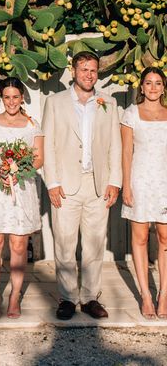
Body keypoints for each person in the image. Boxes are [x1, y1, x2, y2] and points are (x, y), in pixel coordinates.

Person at [43, 51, 121, 321]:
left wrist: (115, 182)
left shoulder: (107, 103)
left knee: (94, 244)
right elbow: (48, 144)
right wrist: (52, 181)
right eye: (84, 69)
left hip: (98, 184)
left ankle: (89, 297)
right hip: (65, 184)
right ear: (73, 71)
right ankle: (67, 297)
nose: (89, 74)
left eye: (93, 70)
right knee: (64, 243)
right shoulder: (55, 102)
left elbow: (115, 145)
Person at [0, 77, 44, 319]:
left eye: (15, 96)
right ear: (1, 99)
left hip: (21, 190)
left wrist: (18, 173)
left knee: (18, 245)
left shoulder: (33, 124)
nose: (11, 101)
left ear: (22, 97)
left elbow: (38, 159)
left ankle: (14, 295)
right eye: (7, 97)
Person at [120, 67, 167, 319]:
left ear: (163, 87)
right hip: (139, 181)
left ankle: (164, 295)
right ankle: (146, 295)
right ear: (141, 87)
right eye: (148, 83)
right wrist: (126, 185)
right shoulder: (131, 114)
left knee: (165, 239)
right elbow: (126, 153)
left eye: (157, 83)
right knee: (139, 238)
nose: (152, 88)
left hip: (165, 183)